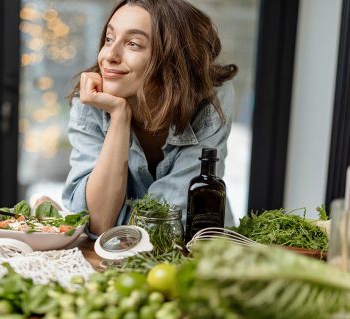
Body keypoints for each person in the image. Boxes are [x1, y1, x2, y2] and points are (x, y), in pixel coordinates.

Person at [61, 0, 238, 237]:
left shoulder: (210, 101)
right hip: (114, 259)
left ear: (173, 59)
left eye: (133, 44)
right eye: (109, 39)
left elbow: (174, 218)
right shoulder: (91, 102)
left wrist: (116, 219)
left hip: (195, 252)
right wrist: (119, 116)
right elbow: (99, 222)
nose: (109, 56)